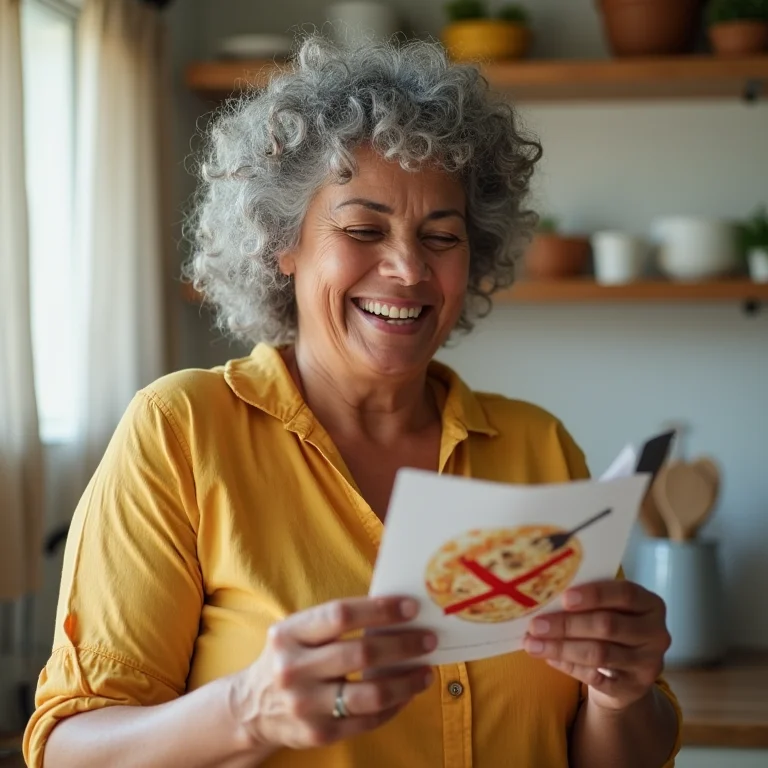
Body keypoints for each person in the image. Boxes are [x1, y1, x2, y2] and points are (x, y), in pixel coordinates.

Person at [24, 35, 681, 768]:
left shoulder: (538, 446)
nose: (407, 268)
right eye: (364, 229)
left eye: (442, 236)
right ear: (285, 244)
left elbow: (621, 756)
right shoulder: (181, 432)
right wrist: (249, 709)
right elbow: (68, 751)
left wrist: (622, 693)